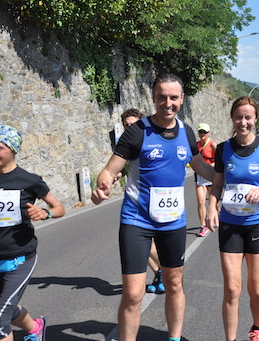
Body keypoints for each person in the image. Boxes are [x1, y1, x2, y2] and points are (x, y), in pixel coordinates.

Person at [91, 73, 214, 341]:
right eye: (162, 97)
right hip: (137, 221)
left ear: (182, 99)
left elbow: (201, 167)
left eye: (173, 97)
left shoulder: (186, 132)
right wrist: (103, 184)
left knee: (174, 284)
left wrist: (229, 179)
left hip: (173, 221)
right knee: (133, 294)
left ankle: (174, 338)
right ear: (154, 97)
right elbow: (110, 169)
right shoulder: (137, 131)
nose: (168, 103)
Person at [206, 96, 259, 341]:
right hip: (230, 224)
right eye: (239, 117)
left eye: (248, 117)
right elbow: (217, 184)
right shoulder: (223, 149)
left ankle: (257, 328)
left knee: (257, 290)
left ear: (255, 119)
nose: (243, 122)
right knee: (232, 288)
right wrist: (211, 207)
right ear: (232, 119)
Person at [0, 124, 65, 341]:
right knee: (6, 310)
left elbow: (59, 208)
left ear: (13, 150)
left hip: (19, 258)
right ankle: (36, 328)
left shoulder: (29, 180)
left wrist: (46, 213)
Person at [117, 109, 167, 294]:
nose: (130, 128)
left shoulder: (152, 139)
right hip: (134, 203)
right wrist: (117, 174)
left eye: (133, 124)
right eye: (126, 125)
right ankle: (160, 273)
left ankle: (167, 270)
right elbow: (125, 164)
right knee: (139, 244)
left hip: (157, 200)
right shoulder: (125, 142)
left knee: (150, 244)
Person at [194, 123, 217, 238]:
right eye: (200, 132)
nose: (202, 134)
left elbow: (220, 159)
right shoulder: (196, 145)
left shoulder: (212, 144)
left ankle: (216, 216)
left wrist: (211, 165)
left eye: (204, 132)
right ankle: (203, 226)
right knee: (201, 201)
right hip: (199, 176)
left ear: (209, 133)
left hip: (211, 174)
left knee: (214, 202)